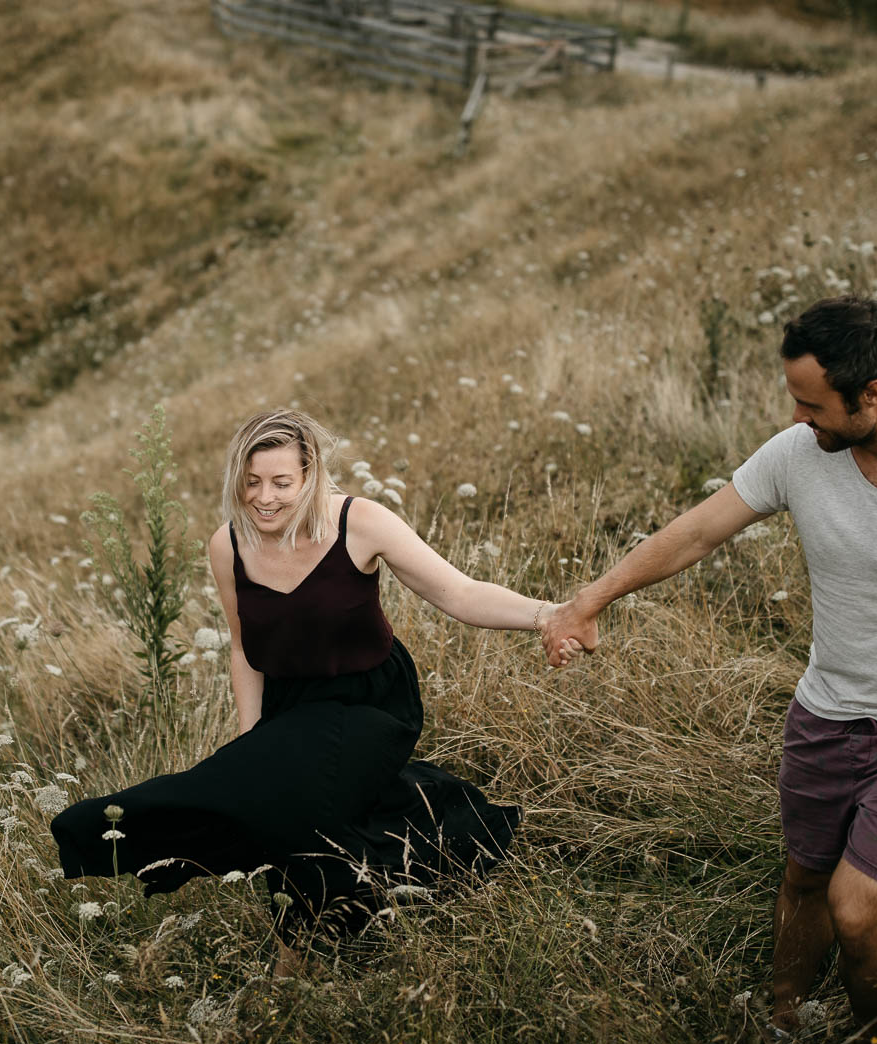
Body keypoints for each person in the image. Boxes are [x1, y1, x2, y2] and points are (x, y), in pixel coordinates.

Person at [542, 296, 877, 1044]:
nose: (798, 417)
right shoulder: (800, 452)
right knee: (805, 875)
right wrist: (591, 599)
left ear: (875, 393)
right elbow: (698, 530)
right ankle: (782, 1015)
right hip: (825, 712)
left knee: (858, 907)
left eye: (813, 403)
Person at [52, 409, 545, 973]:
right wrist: (252, 747)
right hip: (292, 707)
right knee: (282, 798)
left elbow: (459, 593)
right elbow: (243, 649)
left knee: (288, 802)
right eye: (252, 482)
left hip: (371, 701)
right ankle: (452, 828)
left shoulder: (360, 524)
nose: (264, 497)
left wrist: (547, 616)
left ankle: (294, 952)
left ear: (311, 476)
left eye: (282, 482)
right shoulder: (228, 546)